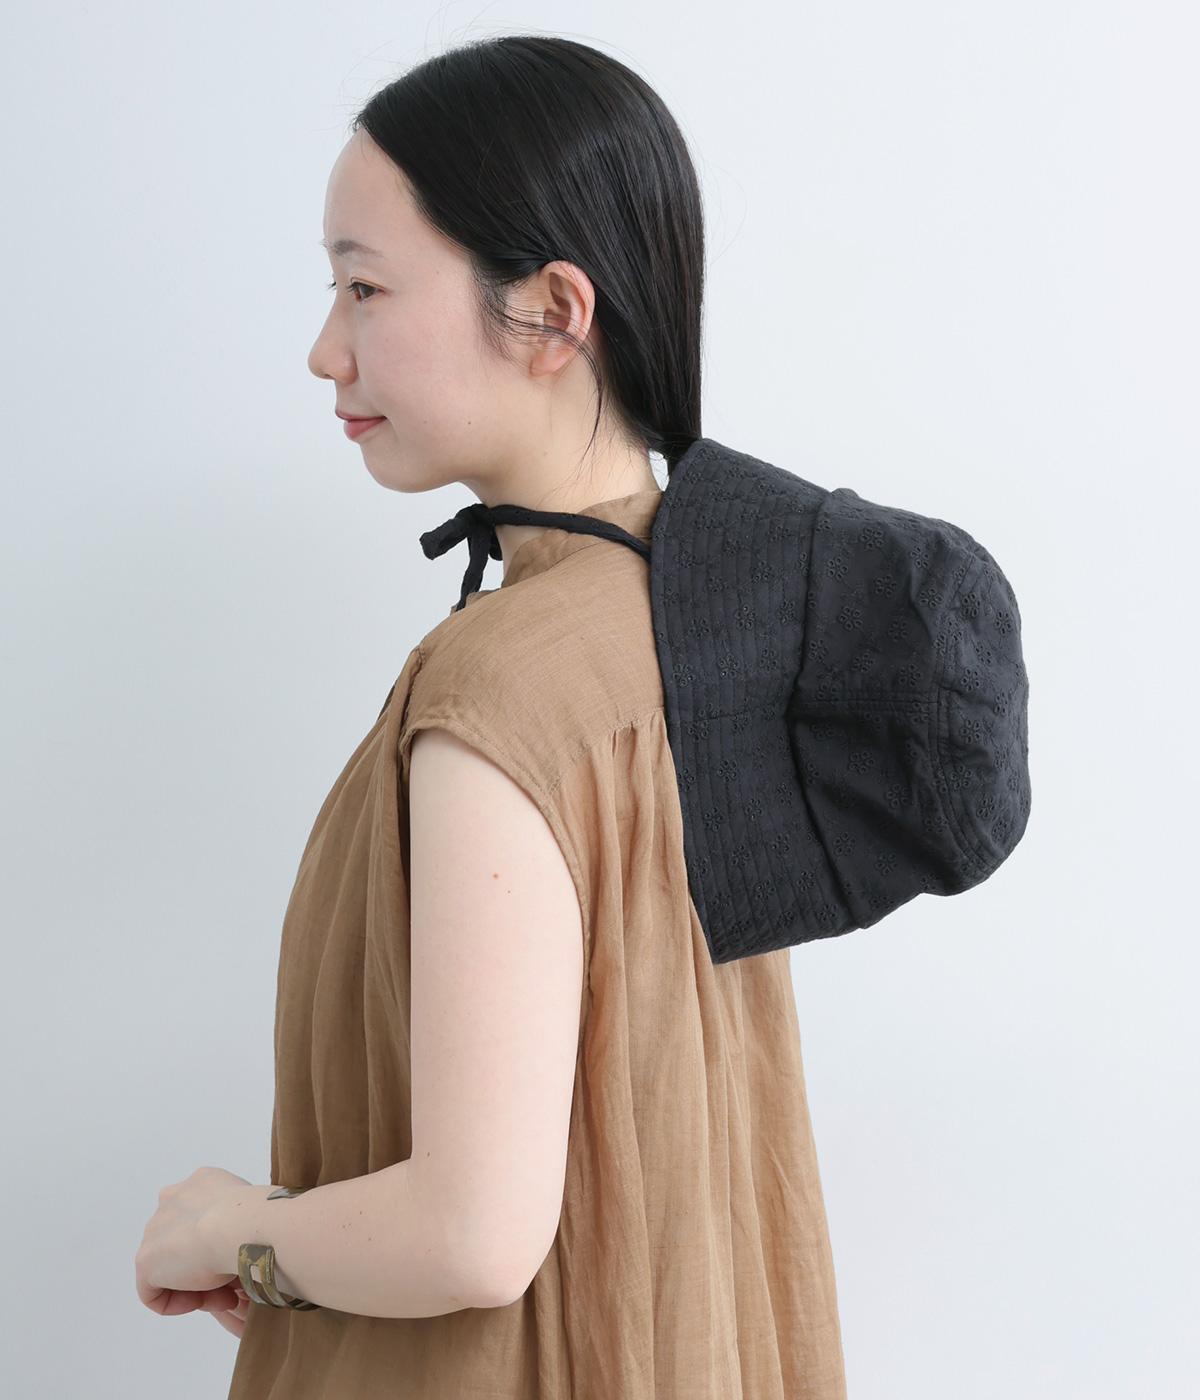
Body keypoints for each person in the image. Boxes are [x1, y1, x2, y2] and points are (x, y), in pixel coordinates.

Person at [223, 34, 847, 1398]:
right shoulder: (708, 635)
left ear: (554, 313)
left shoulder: (500, 688)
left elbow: (469, 1235)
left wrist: (240, 1237)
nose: (326, 350)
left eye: (364, 287)